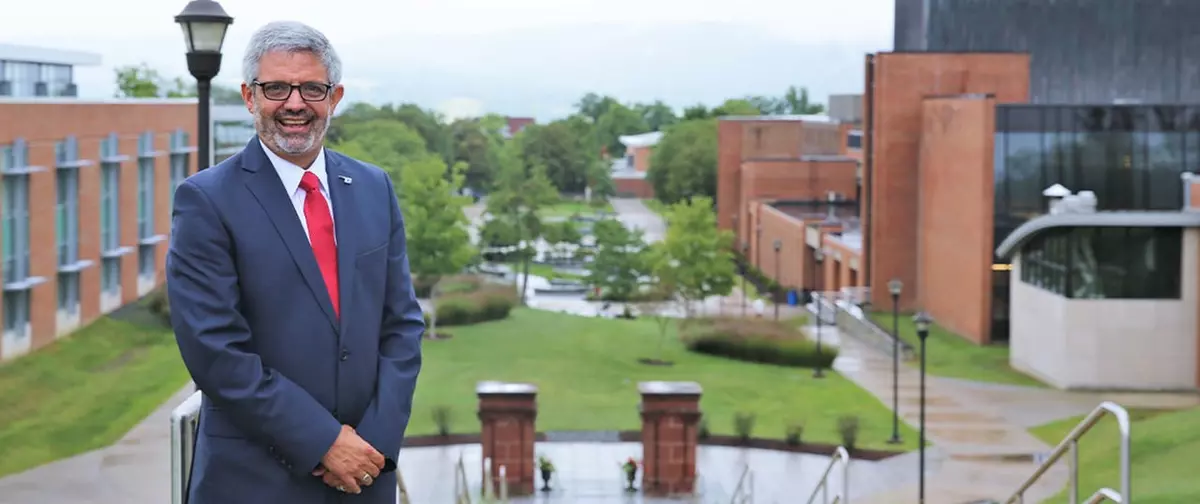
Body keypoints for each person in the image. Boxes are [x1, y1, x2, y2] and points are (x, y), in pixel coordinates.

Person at [167, 21, 424, 504]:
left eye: (311, 87)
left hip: (365, 477)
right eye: (276, 88)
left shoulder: (374, 187)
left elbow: (403, 326)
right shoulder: (206, 201)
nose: (294, 103)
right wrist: (324, 443)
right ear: (249, 96)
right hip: (254, 481)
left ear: (335, 96)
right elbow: (217, 352)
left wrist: (375, 444)